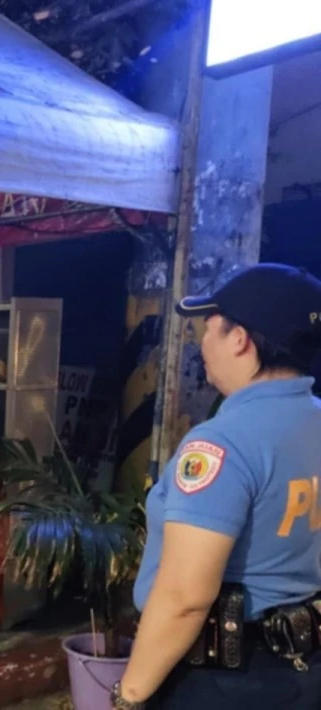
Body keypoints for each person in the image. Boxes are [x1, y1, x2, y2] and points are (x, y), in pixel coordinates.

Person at [115, 264, 321, 709]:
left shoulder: (221, 443)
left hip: (222, 681)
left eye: (208, 328)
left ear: (240, 339)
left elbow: (186, 598)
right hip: (304, 671)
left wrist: (129, 695)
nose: (199, 341)